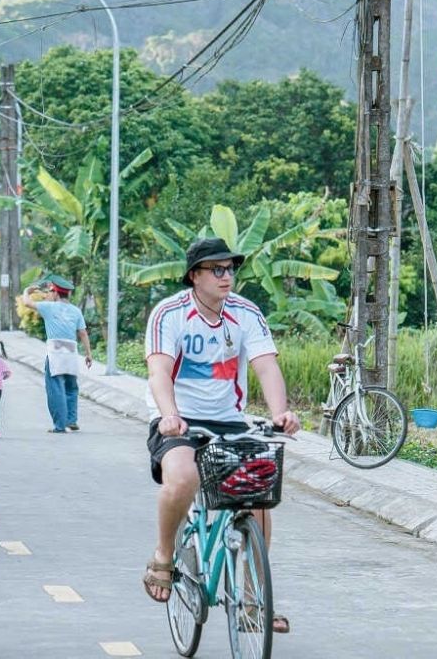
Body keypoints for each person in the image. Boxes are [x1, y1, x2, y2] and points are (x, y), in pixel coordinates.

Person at [142, 237, 299, 635]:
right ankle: (163, 554)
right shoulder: (170, 313)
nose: (226, 276)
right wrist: (169, 415)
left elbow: (265, 366)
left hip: (229, 419)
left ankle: (250, 599)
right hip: (178, 420)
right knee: (183, 477)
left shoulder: (246, 313)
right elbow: (159, 371)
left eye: (230, 269)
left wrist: (280, 412)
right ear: (195, 276)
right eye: (217, 269)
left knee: (258, 493)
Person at [19, 276, 93, 433]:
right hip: (72, 353)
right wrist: (88, 354)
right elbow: (83, 333)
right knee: (71, 388)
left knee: (56, 389)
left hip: (55, 353)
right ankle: (71, 420)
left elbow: (26, 302)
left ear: (56, 293)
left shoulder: (49, 307)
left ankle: (60, 425)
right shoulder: (76, 311)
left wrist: (27, 291)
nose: (49, 294)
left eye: (51, 291)